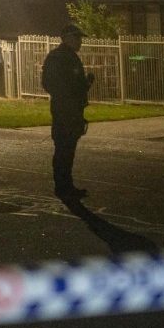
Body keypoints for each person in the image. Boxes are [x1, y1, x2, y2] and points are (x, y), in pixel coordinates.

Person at [42, 24, 95, 199]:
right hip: (65, 110)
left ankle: (66, 186)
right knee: (64, 149)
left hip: (72, 109)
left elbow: (77, 86)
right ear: (67, 38)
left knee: (68, 149)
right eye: (77, 38)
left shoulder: (69, 57)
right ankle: (63, 187)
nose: (80, 42)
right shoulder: (59, 58)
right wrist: (70, 96)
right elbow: (51, 84)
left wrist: (85, 84)